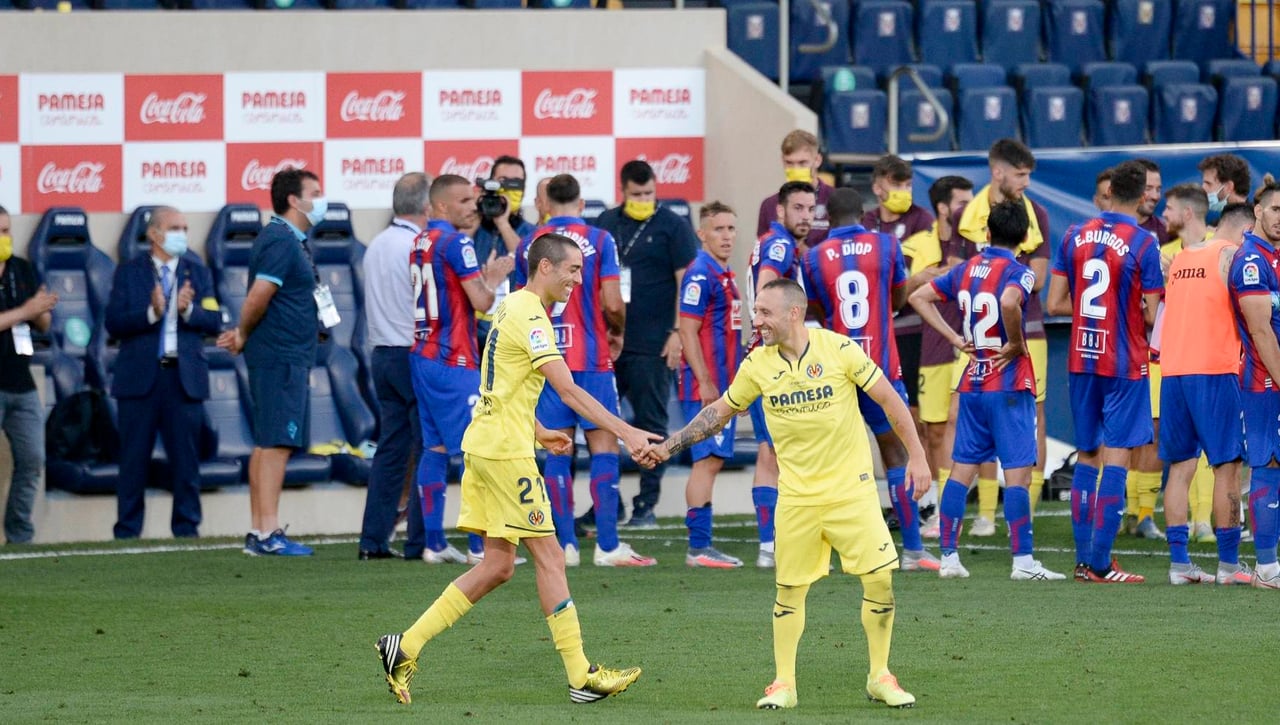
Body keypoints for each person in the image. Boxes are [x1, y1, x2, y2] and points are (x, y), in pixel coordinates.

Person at [374, 233, 659, 706]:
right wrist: (626, 431)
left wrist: (539, 429)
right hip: (505, 454)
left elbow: (502, 384)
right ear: (545, 267)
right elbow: (569, 390)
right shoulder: (531, 315)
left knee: (498, 565)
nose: (577, 280)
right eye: (572, 270)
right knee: (550, 558)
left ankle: (404, 646)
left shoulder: (511, 306)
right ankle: (581, 676)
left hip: (488, 444)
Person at [645, 279, 930, 711]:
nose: (756, 320)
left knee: (879, 581)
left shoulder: (839, 349)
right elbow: (718, 413)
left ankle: (880, 676)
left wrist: (918, 457)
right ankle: (784, 684)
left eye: (764, 312)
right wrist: (668, 446)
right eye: (755, 312)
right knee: (789, 590)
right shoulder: (757, 365)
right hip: (796, 498)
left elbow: (890, 400)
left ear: (794, 313)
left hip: (851, 493)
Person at [911, 200, 1065, 581]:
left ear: (988, 233)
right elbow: (1010, 301)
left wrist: (953, 337)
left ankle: (949, 557)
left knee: (961, 471)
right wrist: (1014, 342)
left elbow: (918, 297)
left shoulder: (966, 268)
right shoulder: (1019, 271)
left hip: (974, 379)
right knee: (1017, 475)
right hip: (1009, 383)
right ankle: (1023, 562)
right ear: (1026, 237)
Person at [517, 173, 654, 568]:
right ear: (580, 203)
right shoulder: (599, 239)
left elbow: (520, 300)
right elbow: (612, 301)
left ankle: (566, 546)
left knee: (557, 450)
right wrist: (617, 332)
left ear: (546, 204)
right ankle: (607, 545)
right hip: (591, 358)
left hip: (547, 358)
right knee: (604, 447)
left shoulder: (531, 244)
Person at [802, 188, 940, 572]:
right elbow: (896, 301)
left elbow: (818, 310)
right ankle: (913, 551)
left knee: (831, 461)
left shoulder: (812, 257)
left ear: (828, 219)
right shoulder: (887, 245)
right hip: (880, 366)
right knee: (895, 452)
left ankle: (827, 553)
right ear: (863, 215)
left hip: (836, 370)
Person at [1047, 159, 1163, 583]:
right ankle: (1100, 563)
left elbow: (1054, 304)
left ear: (1109, 191)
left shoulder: (1074, 234)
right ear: (1144, 195)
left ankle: (1083, 562)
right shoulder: (1144, 242)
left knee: (1088, 456)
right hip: (1124, 361)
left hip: (1082, 358)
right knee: (1118, 455)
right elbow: (1151, 316)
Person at [217, 168, 328, 557]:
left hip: (284, 355)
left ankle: (260, 531)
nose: (322, 199)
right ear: (294, 200)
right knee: (277, 443)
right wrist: (243, 333)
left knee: (268, 443)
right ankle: (268, 532)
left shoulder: (291, 240)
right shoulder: (280, 240)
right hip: (280, 356)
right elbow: (258, 295)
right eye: (316, 192)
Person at [411, 174, 514, 565]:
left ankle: (434, 543)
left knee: (435, 448)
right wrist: (494, 278)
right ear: (441, 206)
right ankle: (479, 547)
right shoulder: (457, 243)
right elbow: (483, 302)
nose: (473, 207)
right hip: (453, 359)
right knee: (477, 451)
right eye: (465, 201)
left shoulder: (420, 241)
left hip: (422, 354)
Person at [951, 139, 1051, 532]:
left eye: (1028, 175)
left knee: (1032, 416)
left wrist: (993, 277)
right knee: (971, 414)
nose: (1026, 182)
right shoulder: (967, 214)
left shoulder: (1036, 213)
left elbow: (1038, 278)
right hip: (976, 336)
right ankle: (985, 513)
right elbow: (954, 266)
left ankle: (1024, 512)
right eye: (1020, 174)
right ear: (998, 172)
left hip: (1027, 330)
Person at [592, 160, 699, 529]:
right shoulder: (606, 222)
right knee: (601, 424)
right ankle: (608, 503)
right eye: (637, 194)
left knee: (652, 424)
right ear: (623, 191)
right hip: (610, 340)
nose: (644, 199)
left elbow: (686, 281)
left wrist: (677, 331)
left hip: (654, 342)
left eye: (649, 193)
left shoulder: (672, 225)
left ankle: (646, 505)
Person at [105, 206, 221, 540]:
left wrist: (188, 310)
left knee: (186, 463)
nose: (182, 234)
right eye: (174, 228)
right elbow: (113, 322)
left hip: (183, 380)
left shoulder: (198, 272)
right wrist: (152, 313)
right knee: (133, 462)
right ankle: (127, 533)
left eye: (184, 228)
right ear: (154, 234)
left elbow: (215, 320)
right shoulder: (129, 272)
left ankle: (186, 530)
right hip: (139, 380)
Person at [1161, 189, 1248, 585]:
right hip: (1214, 371)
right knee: (1227, 467)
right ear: (1244, 231)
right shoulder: (1231, 256)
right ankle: (1228, 566)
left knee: (1180, 468)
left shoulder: (1180, 257)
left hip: (1174, 373)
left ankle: (1180, 565)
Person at [357, 172, 430, 561]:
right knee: (426, 447)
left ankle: (373, 539)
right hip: (410, 353)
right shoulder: (417, 246)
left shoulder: (377, 244)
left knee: (390, 450)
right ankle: (420, 540)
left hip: (381, 353)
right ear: (427, 206)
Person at [746, 180, 815, 568]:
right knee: (779, 452)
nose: (806, 216)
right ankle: (774, 544)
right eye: (798, 208)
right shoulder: (779, 245)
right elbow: (765, 293)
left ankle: (770, 545)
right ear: (780, 211)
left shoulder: (774, 242)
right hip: (775, 359)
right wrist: (777, 339)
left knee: (770, 450)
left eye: (811, 209)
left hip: (765, 355)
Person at [677, 201, 745, 568]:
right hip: (706, 386)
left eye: (731, 228)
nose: (727, 236)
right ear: (702, 234)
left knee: (712, 461)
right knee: (707, 461)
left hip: (723, 385)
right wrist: (705, 381)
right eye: (719, 229)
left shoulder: (724, 273)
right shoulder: (700, 274)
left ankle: (701, 545)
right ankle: (699, 547)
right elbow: (687, 330)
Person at [861, 155, 935, 449]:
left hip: (913, 330)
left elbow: (930, 276)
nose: (903, 191)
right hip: (876, 334)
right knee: (885, 418)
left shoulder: (922, 220)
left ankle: (924, 476)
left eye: (907, 185)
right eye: (896, 184)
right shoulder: (866, 223)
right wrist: (909, 281)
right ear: (878, 188)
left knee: (916, 416)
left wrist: (899, 286)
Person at [914, 176, 973, 530]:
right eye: (962, 202)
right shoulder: (921, 242)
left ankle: (958, 512)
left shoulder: (976, 239)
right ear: (942, 207)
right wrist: (929, 275)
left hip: (968, 344)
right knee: (934, 431)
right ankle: (938, 510)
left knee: (956, 424)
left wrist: (940, 273)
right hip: (934, 345)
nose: (969, 208)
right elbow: (909, 288)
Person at [1231, 179, 1280, 589]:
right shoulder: (1251, 260)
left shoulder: (1274, 257)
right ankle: (1266, 567)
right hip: (1265, 380)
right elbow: (1261, 331)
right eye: (1276, 210)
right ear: (1259, 211)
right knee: (1267, 463)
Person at [0, 205, 56, 544]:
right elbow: (23, 312)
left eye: (7, 230)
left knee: (33, 459)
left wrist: (42, 309)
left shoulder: (21, 269)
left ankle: (19, 534)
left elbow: (43, 324)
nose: (4, 237)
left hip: (21, 382)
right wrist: (26, 310)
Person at [1122, 158, 1169, 537]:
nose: (1154, 195)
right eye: (1148, 188)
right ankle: (1120, 508)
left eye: (1158, 188)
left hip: (1152, 346)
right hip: (1118, 346)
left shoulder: (1163, 232)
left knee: (1152, 430)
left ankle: (1143, 514)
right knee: (1120, 433)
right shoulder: (1114, 231)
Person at [473, 156, 535, 351]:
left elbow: (529, 263)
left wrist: (502, 222)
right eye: (502, 181)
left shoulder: (531, 232)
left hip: (514, 338)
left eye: (515, 183)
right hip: (472, 338)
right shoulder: (471, 229)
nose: (508, 188)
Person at [756, 129, 833, 248]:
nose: (796, 169)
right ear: (782, 161)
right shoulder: (770, 205)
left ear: (817, 160)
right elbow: (762, 251)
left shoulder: (836, 200)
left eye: (802, 163)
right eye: (789, 163)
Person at [1198, 153, 1251, 224]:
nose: (1203, 188)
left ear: (1229, 187)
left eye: (1208, 184)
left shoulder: (1258, 224)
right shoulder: (1217, 225)